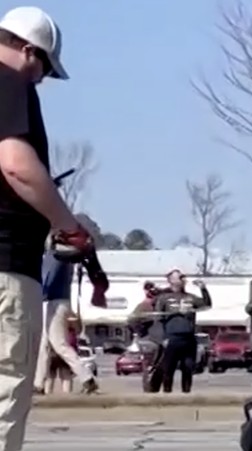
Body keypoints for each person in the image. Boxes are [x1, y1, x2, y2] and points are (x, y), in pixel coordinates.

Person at [0, 7, 88, 446]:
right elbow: (16, 166)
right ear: (29, 52)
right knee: (4, 386)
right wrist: (65, 223)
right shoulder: (9, 80)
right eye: (44, 70)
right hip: (6, 264)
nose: (41, 81)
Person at [33, 249, 99, 395]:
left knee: (58, 343)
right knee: (45, 344)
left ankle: (87, 378)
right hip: (57, 301)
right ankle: (38, 383)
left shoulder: (55, 255)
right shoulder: (62, 255)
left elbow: (48, 280)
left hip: (53, 301)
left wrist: (38, 294)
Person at [154, 270, 212, 393]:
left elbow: (207, 305)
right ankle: (167, 395)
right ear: (171, 280)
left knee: (188, 368)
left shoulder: (190, 297)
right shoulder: (163, 298)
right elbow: (158, 320)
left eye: (183, 277)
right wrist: (162, 338)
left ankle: (186, 395)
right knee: (168, 369)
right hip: (171, 338)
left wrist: (203, 288)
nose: (182, 279)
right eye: (179, 277)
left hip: (188, 338)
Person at [128, 281, 166, 392]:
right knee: (150, 368)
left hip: (159, 341)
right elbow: (131, 321)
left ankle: (153, 391)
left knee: (158, 369)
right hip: (148, 340)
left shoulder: (160, 306)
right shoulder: (144, 305)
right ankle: (149, 392)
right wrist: (141, 331)